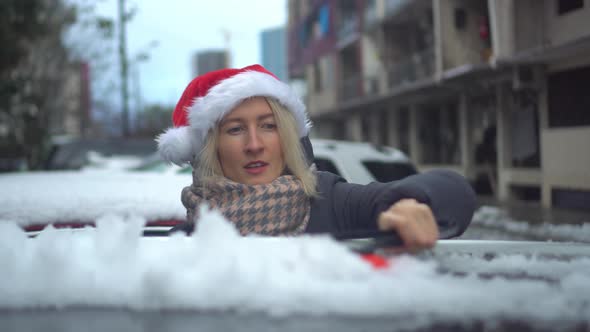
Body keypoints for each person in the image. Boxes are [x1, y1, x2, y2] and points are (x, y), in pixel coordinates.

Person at [157, 64, 476, 252]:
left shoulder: (328, 201)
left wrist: (411, 203)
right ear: (209, 149)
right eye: (236, 129)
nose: (254, 144)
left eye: (269, 126)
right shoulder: (188, 241)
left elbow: (454, 190)